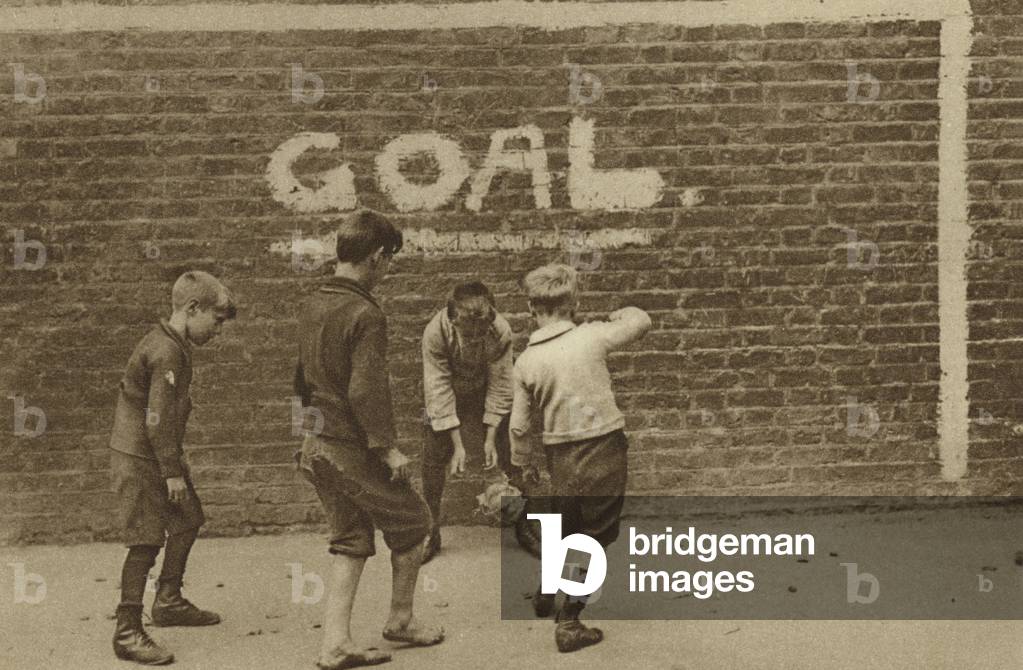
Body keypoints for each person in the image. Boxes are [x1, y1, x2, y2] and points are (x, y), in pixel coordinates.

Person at [293, 209, 444, 670]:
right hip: (347, 448)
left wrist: (308, 429)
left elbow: (302, 380)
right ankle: (400, 619)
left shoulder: (313, 303)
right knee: (417, 520)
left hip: (314, 442)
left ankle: (335, 644)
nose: (389, 269)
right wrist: (387, 448)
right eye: (390, 260)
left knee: (352, 538)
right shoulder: (365, 312)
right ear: (377, 257)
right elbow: (366, 390)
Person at [509, 263, 652, 653]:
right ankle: (570, 621)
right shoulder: (592, 336)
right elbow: (641, 320)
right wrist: (610, 315)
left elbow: (519, 427)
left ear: (530, 307)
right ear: (574, 302)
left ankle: (547, 590)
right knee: (594, 536)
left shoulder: (526, 361)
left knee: (565, 522)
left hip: (560, 453)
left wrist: (524, 464)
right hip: (604, 447)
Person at [109, 270, 236, 665]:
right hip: (141, 458)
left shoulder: (174, 344)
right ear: (192, 308)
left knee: (187, 518)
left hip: (158, 454)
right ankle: (128, 630)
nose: (217, 330)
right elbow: (156, 419)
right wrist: (172, 472)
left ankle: (168, 599)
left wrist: (172, 463)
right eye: (216, 320)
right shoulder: (165, 351)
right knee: (145, 540)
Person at [420, 281, 515, 563]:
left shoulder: (501, 331)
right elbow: (438, 389)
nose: (474, 339)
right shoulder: (435, 333)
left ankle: (524, 525)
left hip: (485, 388)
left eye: (480, 334)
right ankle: (430, 529)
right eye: (467, 334)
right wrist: (458, 444)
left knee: (509, 448)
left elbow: (500, 384)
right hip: (449, 391)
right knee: (433, 454)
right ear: (453, 321)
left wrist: (489, 438)